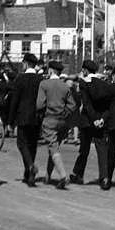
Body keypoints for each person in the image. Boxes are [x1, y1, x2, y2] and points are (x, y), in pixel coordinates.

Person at [36, 60, 76, 190]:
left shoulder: (44, 84)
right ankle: (48, 175)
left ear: (50, 70)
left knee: (53, 147)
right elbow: (72, 105)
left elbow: (39, 105)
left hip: (49, 119)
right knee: (54, 147)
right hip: (62, 122)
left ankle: (63, 176)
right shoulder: (65, 86)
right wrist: (64, 112)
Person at [70, 59, 110, 186]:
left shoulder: (84, 83)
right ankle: (104, 177)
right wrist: (102, 119)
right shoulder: (105, 84)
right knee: (102, 150)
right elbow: (108, 106)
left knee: (84, 150)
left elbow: (86, 104)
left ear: (85, 70)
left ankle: (78, 174)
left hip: (87, 121)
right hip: (101, 122)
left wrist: (94, 119)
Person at [7, 53, 44, 187]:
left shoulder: (20, 79)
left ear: (26, 64)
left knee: (21, 143)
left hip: (22, 115)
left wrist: (10, 121)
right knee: (32, 144)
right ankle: (29, 175)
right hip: (37, 116)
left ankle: (30, 166)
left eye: (23, 63)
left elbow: (14, 101)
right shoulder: (40, 79)